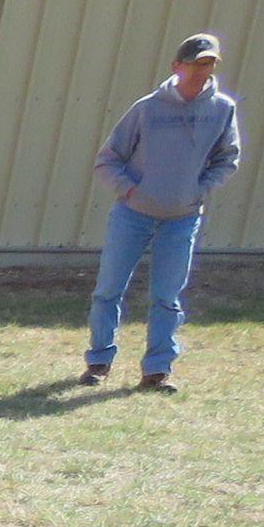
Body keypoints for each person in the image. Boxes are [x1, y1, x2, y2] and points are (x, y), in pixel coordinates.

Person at [83, 33, 245, 392]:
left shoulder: (222, 109)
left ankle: (157, 370)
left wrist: (197, 190)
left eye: (210, 64)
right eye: (197, 63)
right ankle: (98, 361)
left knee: (166, 296)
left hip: (183, 217)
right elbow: (108, 161)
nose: (203, 71)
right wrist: (130, 190)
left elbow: (227, 159)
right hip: (133, 214)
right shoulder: (147, 109)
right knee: (108, 289)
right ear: (177, 66)